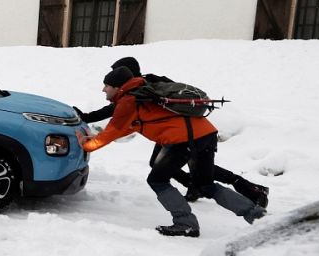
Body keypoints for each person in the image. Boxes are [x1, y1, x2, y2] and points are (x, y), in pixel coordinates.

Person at [80, 65, 266, 237]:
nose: (103, 89)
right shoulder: (144, 90)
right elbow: (132, 125)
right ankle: (258, 217)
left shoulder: (129, 100)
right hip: (206, 133)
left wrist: (86, 145)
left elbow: (113, 132)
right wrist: (96, 138)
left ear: (117, 87)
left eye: (106, 85)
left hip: (183, 140)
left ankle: (185, 223)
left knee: (157, 180)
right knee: (206, 185)